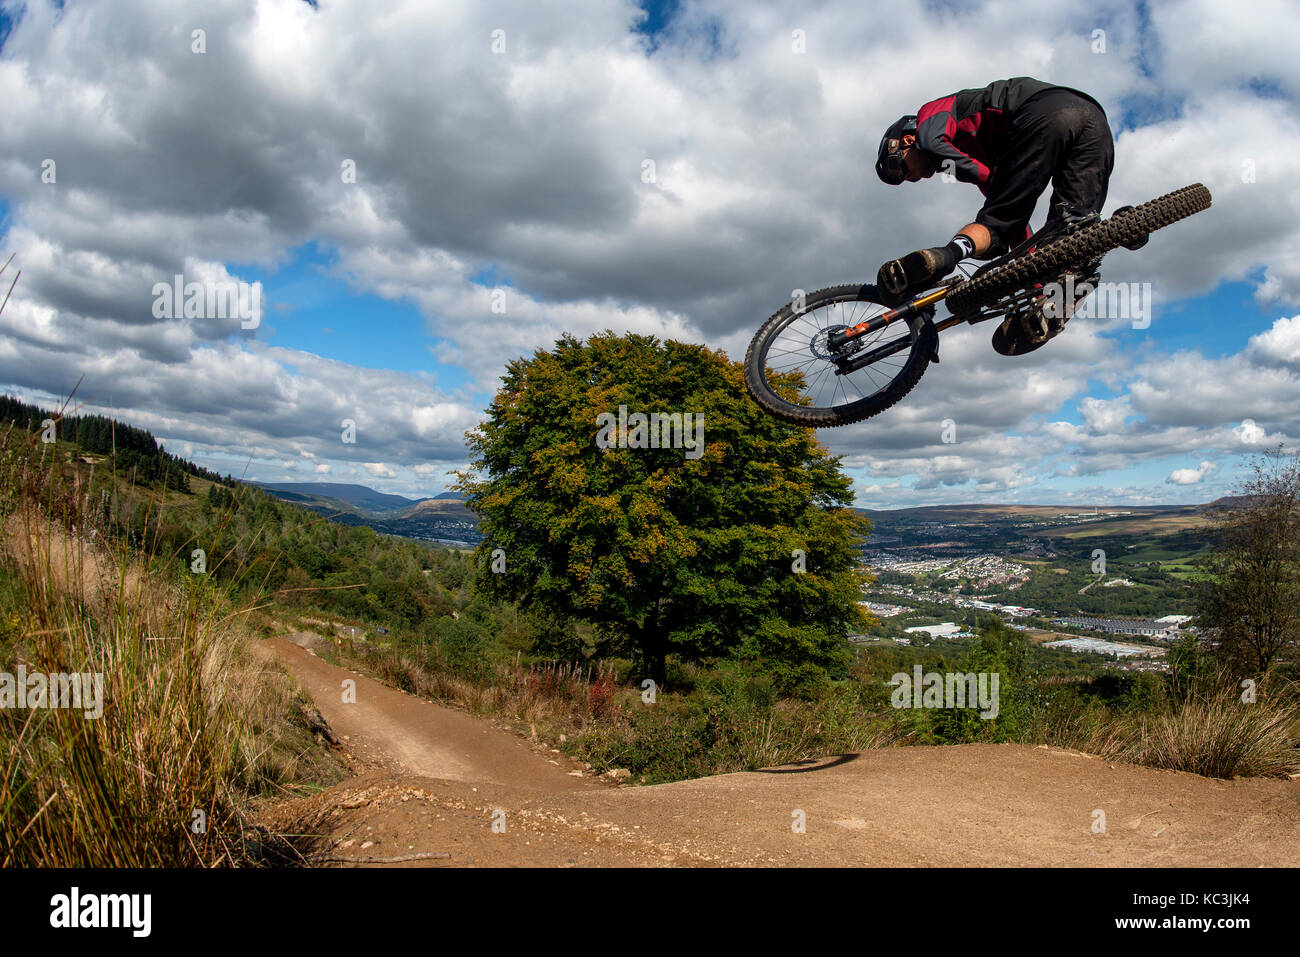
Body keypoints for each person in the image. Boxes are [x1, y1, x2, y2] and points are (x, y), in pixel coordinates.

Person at [874, 77, 1138, 354]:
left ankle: (943, 257)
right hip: (1094, 123)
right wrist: (1037, 277)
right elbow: (1014, 222)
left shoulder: (930, 115)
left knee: (993, 228)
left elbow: (932, 144)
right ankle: (1057, 299)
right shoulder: (983, 154)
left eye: (902, 169)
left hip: (1042, 111)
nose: (912, 178)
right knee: (1072, 235)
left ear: (905, 140)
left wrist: (995, 182)